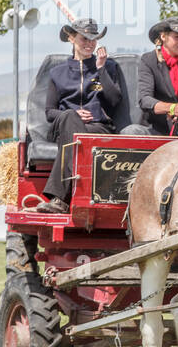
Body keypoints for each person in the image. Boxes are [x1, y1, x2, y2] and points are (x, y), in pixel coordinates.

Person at [36, 18, 123, 214]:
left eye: (93, 39)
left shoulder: (108, 67)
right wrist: (73, 114)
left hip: (97, 126)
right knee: (68, 117)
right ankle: (70, 192)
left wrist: (101, 69)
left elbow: (115, 100)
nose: (89, 43)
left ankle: (60, 199)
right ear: (71, 39)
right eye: (84, 38)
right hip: (64, 128)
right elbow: (50, 113)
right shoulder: (57, 73)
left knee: (73, 128)